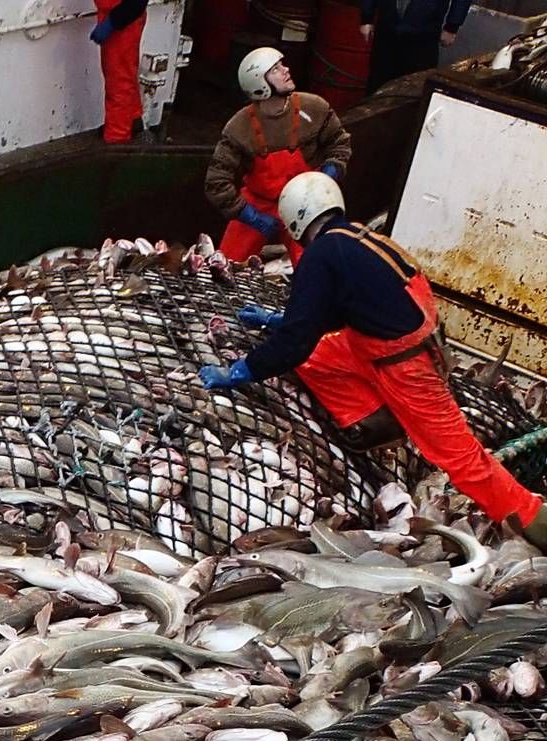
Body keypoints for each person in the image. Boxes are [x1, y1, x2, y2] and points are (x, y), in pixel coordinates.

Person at [199, 173, 547, 542]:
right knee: (315, 357)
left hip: (408, 367)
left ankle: (534, 519)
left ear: (295, 219)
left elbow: (294, 343)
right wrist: (280, 320)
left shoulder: (320, 256)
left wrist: (241, 370)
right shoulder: (359, 237)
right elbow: (345, 307)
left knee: (462, 461)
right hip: (391, 345)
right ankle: (374, 422)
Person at [204, 48, 351, 266]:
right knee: (226, 264)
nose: (286, 70)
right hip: (259, 204)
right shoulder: (238, 128)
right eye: (275, 69)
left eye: (282, 64)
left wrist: (330, 173)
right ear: (258, 83)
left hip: (307, 200)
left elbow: (339, 143)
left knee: (317, 263)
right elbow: (216, 183)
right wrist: (249, 215)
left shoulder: (315, 108)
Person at [361, 0, 471, 91]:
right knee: (378, 83)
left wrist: (452, 26)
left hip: (424, 32)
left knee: (415, 86)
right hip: (387, 27)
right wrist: (367, 16)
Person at [89, 0, 147, 144]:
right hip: (115, 17)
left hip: (122, 23)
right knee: (122, 73)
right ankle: (132, 120)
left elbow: (136, 4)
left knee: (119, 83)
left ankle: (117, 138)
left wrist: (112, 22)